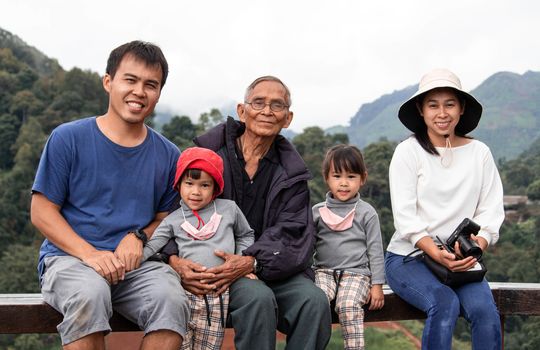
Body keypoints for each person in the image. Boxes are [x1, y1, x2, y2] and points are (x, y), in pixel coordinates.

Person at [30, 41, 189, 350]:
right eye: (130, 80)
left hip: (136, 267)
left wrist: (139, 236)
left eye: (150, 85)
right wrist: (90, 254)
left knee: (172, 300)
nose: (139, 92)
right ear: (108, 82)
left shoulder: (168, 154)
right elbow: (42, 210)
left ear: (158, 93)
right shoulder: (69, 138)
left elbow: (166, 217)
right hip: (71, 259)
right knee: (90, 295)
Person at [166, 76, 331, 349]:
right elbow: (172, 211)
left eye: (277, 106)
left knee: (314, 302)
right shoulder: (207, 157)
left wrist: (251, 262)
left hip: (271, 267)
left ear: (287, 118)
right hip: (213, 266)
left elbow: (294, 234)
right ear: (242, 111)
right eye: (259, 103)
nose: (267, 111)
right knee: (257, 298)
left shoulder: (292, 173)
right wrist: (174, 260)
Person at [385, 68, 505, 350]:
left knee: (486, 314)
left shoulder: (480, 153)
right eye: (433, 105)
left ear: (461, 108)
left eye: (450, 104)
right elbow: (405, 218)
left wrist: (479, 243)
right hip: (410, 256)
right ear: (421, 109)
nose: (442, 113)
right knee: (444, 303)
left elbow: (491, 210)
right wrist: (435, 252)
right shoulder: (408, 152)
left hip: (461, 259)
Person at [142, 147, 255, 350]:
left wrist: (239, 260)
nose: (196, 192)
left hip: (218, 295)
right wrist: (128, 262)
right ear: (178, 185)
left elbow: (246, 234)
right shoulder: (172, 219)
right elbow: (153, 246)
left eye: (204, 185)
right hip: (186, 293)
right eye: (189, 183)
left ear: (215, 188)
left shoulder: (229, 209)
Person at [312, 144, 385, 350]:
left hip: (356, 274)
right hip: (324, 272)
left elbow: (375, 250)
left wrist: (377, 284)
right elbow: (306, 247)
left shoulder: (366, 212)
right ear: (326, 177)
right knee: (315, 301)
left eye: (351, 177)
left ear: (362, 178)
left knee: (347, 305)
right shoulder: (317, 212)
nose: (344, 183)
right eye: (337, 176)